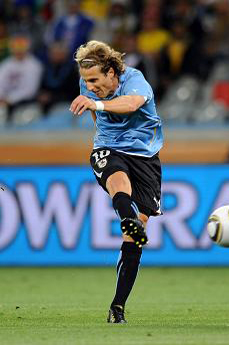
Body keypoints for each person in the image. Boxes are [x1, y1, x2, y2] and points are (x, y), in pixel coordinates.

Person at [70, 40, 163, 324]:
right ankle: (127, 216)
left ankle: (117, 307)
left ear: (112, 72)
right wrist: (95, 99)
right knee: (118, 182)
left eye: (95, 79)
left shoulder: (135, 80)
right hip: (108, 148)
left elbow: (132, 104)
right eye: (86, 81)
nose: (89, 85)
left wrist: (97, 102)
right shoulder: (89, 85)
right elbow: (101, 117)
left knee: (135, 238)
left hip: (146, 157)